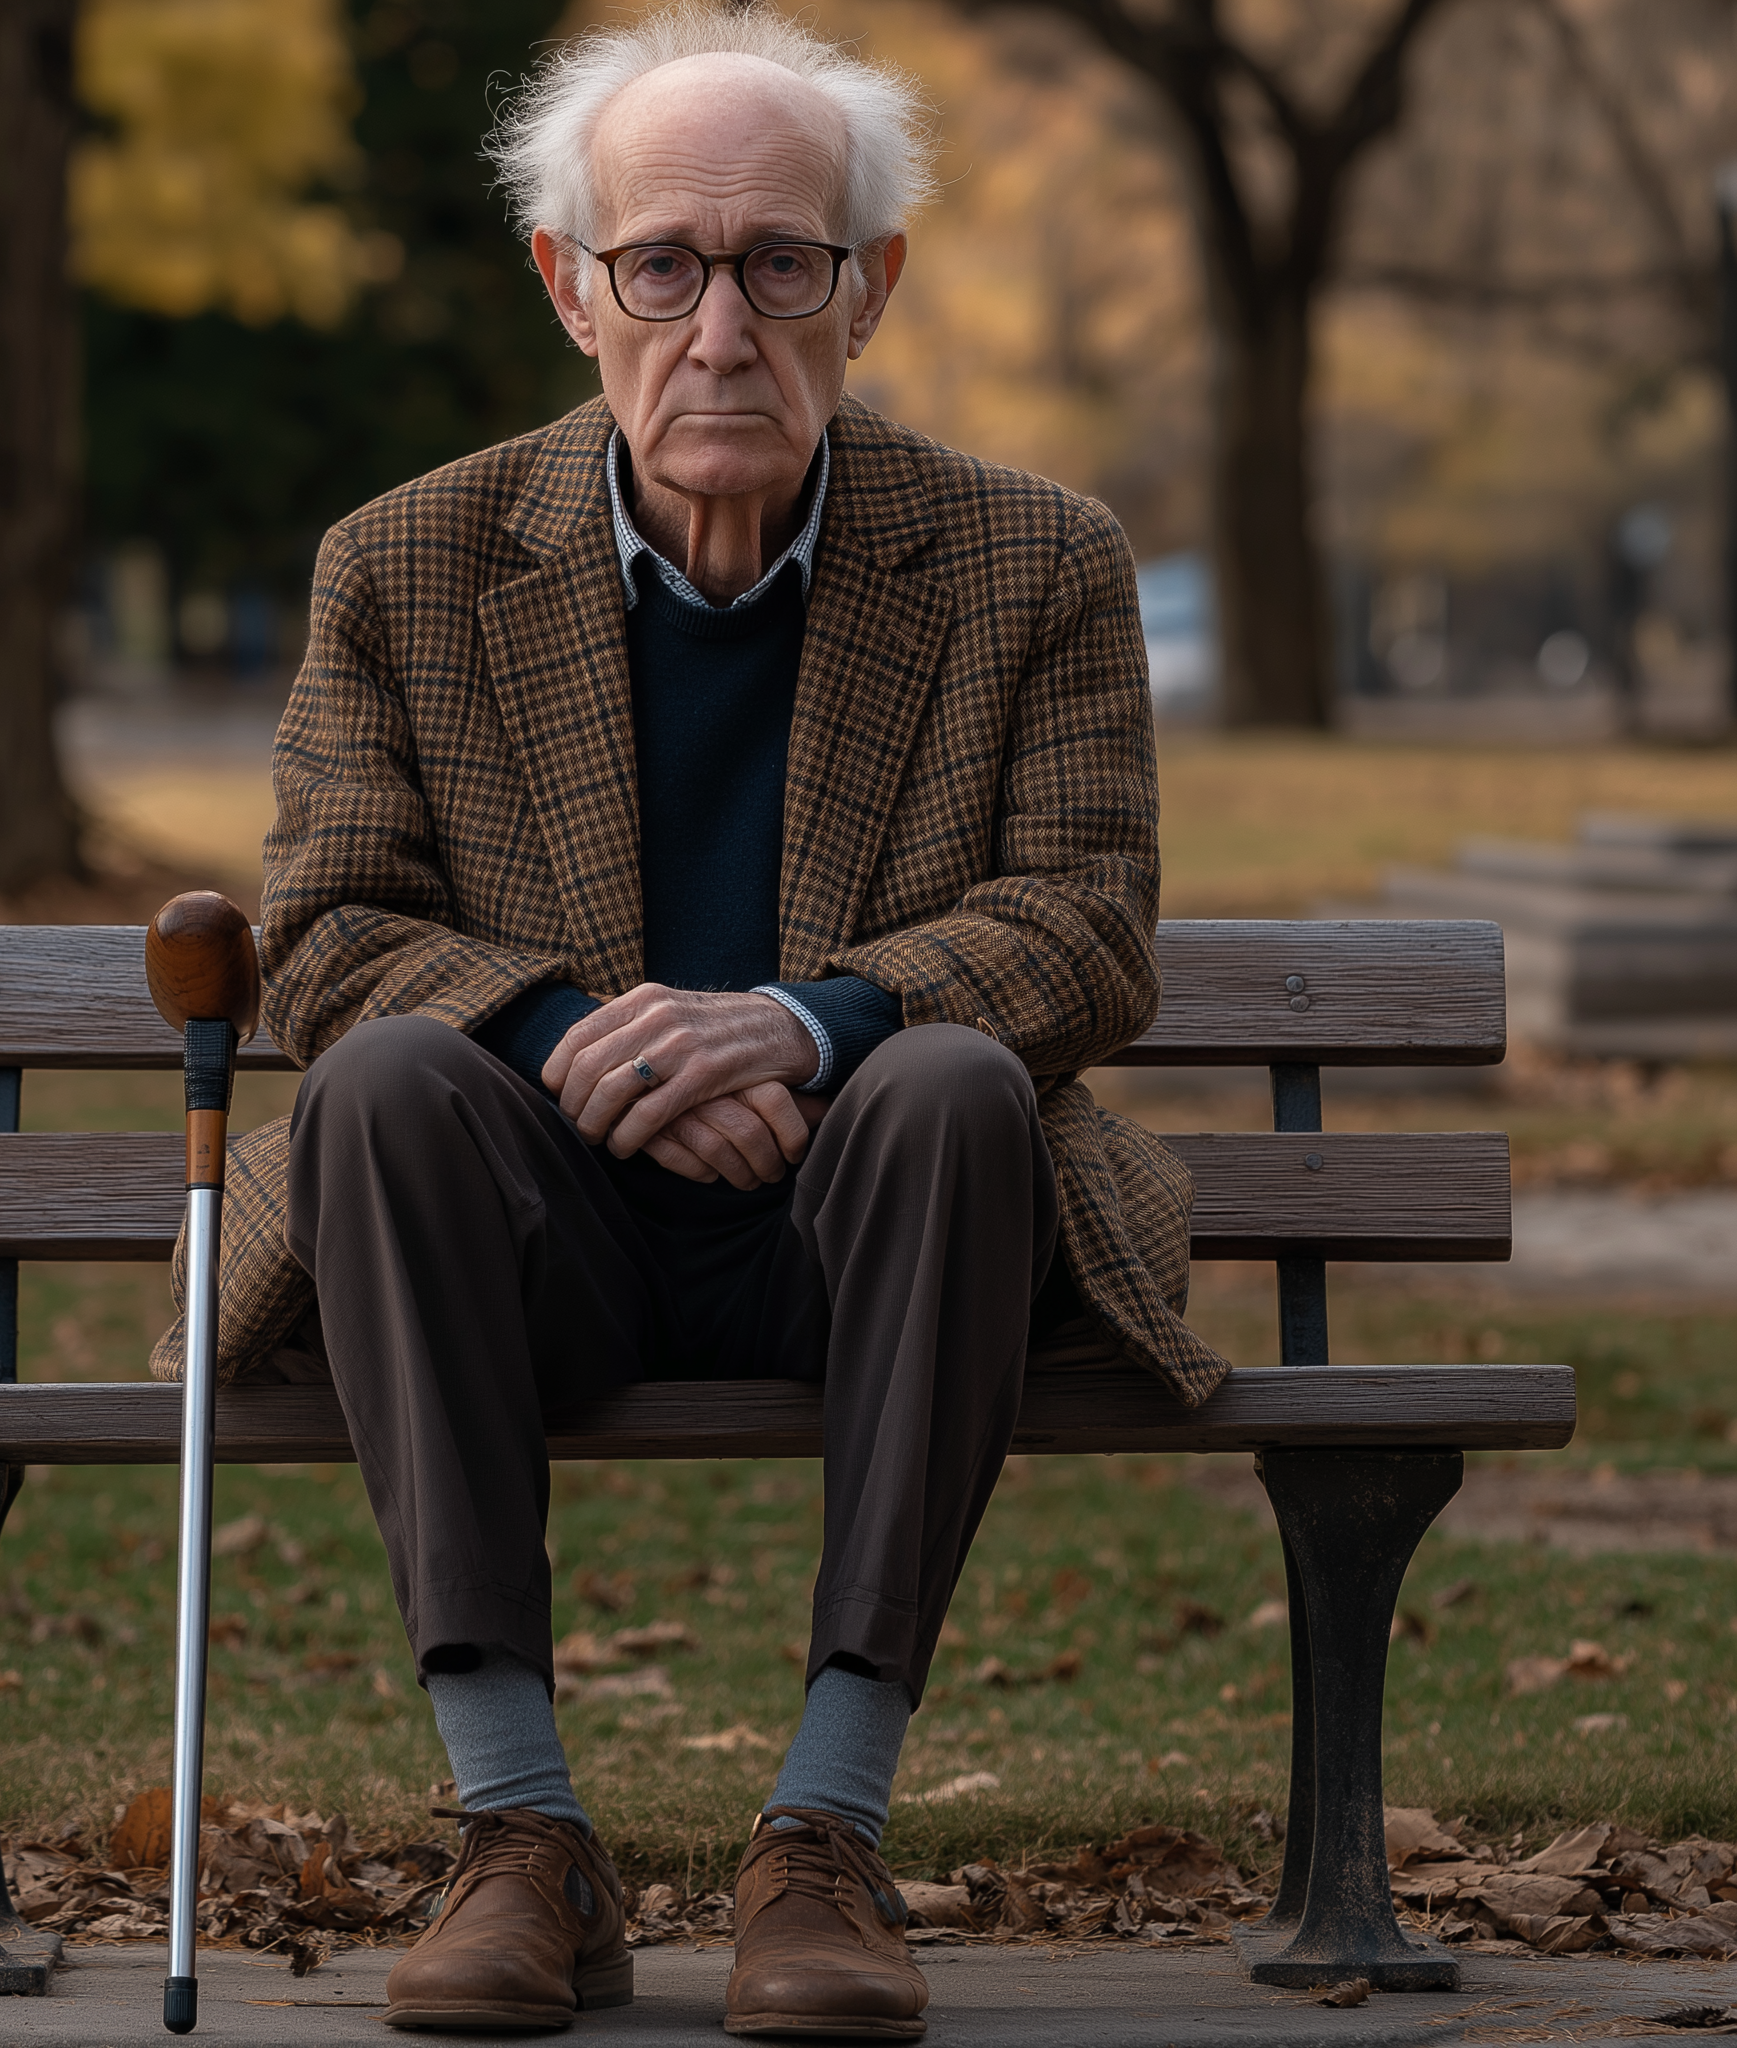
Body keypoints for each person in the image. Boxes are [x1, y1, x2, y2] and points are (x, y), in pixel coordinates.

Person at [258, 5, 1228, 2036]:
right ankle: (521, 1831)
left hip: (865, 1217)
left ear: (867, 288)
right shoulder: (403, 564)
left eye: (782, 263)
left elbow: (1087, 925)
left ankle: (826, 1839)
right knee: (381, 1081)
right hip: (547, 1238)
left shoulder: (1032, 560)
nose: (722, 327)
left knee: (957, 1078)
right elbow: (330, 928)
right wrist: (568, 1041)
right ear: (569, 288)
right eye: (664, 264)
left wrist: (802, 1021)